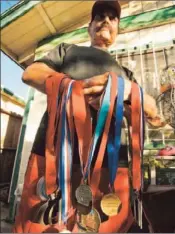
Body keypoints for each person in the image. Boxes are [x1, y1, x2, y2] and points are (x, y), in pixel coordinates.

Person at [20, 0, 162, 232]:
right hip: (54, 161)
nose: (105, 20)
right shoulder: (67, 50)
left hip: (111, 168)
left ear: (118, 30)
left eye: (112, 18)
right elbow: (31, 73)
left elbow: (152, 112)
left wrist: (126, 91)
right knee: (38, 226)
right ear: (89, 27)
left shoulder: (126, 74)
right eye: (99, 17)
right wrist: (74, 88)